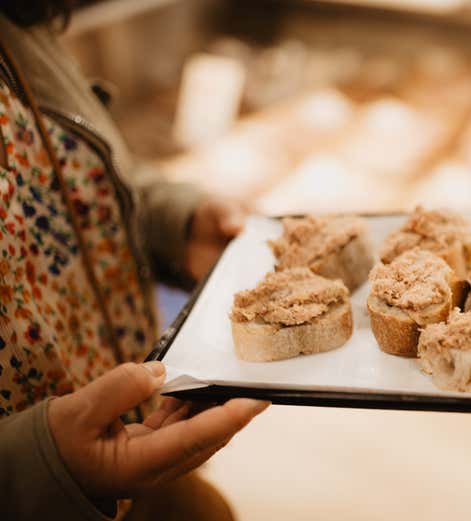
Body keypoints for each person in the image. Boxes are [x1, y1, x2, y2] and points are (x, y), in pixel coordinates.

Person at [0, 2, 269, 519]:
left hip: (132, 436)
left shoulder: (17, 21)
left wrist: (175, 223)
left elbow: (60, 174)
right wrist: (38, 466)